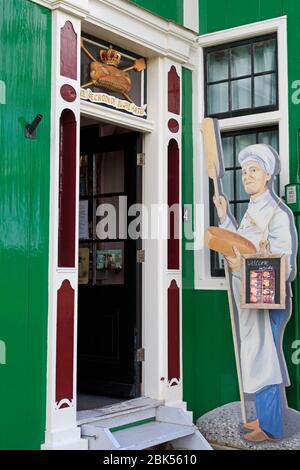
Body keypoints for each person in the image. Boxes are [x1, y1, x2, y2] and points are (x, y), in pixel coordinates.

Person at [214, 144, 297, 442]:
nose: (246, 176)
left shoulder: (276, 214)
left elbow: (283, 265)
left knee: (265, 359)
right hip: (249, 299)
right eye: (245, 170)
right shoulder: (252, 210)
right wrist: (225, 219)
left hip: (267, 302)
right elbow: (242, 244)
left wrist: (242, 266)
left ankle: (272, 426)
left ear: (267, 176)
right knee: (256, 356)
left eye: (253, 170)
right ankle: (263, 419)